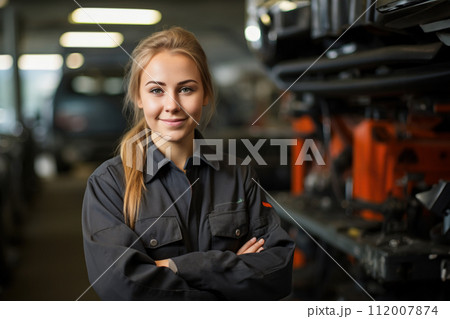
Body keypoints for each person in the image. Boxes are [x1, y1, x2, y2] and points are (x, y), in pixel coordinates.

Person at [82, 27, 295, 300]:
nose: (172, 105)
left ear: (205, 94)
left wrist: (175, 267)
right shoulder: (109, 185)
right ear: (138, 97)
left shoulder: (238, 174)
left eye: (186, 89)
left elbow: (278, 269)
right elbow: (121, 287)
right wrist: (227, 286)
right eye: (157, 90)